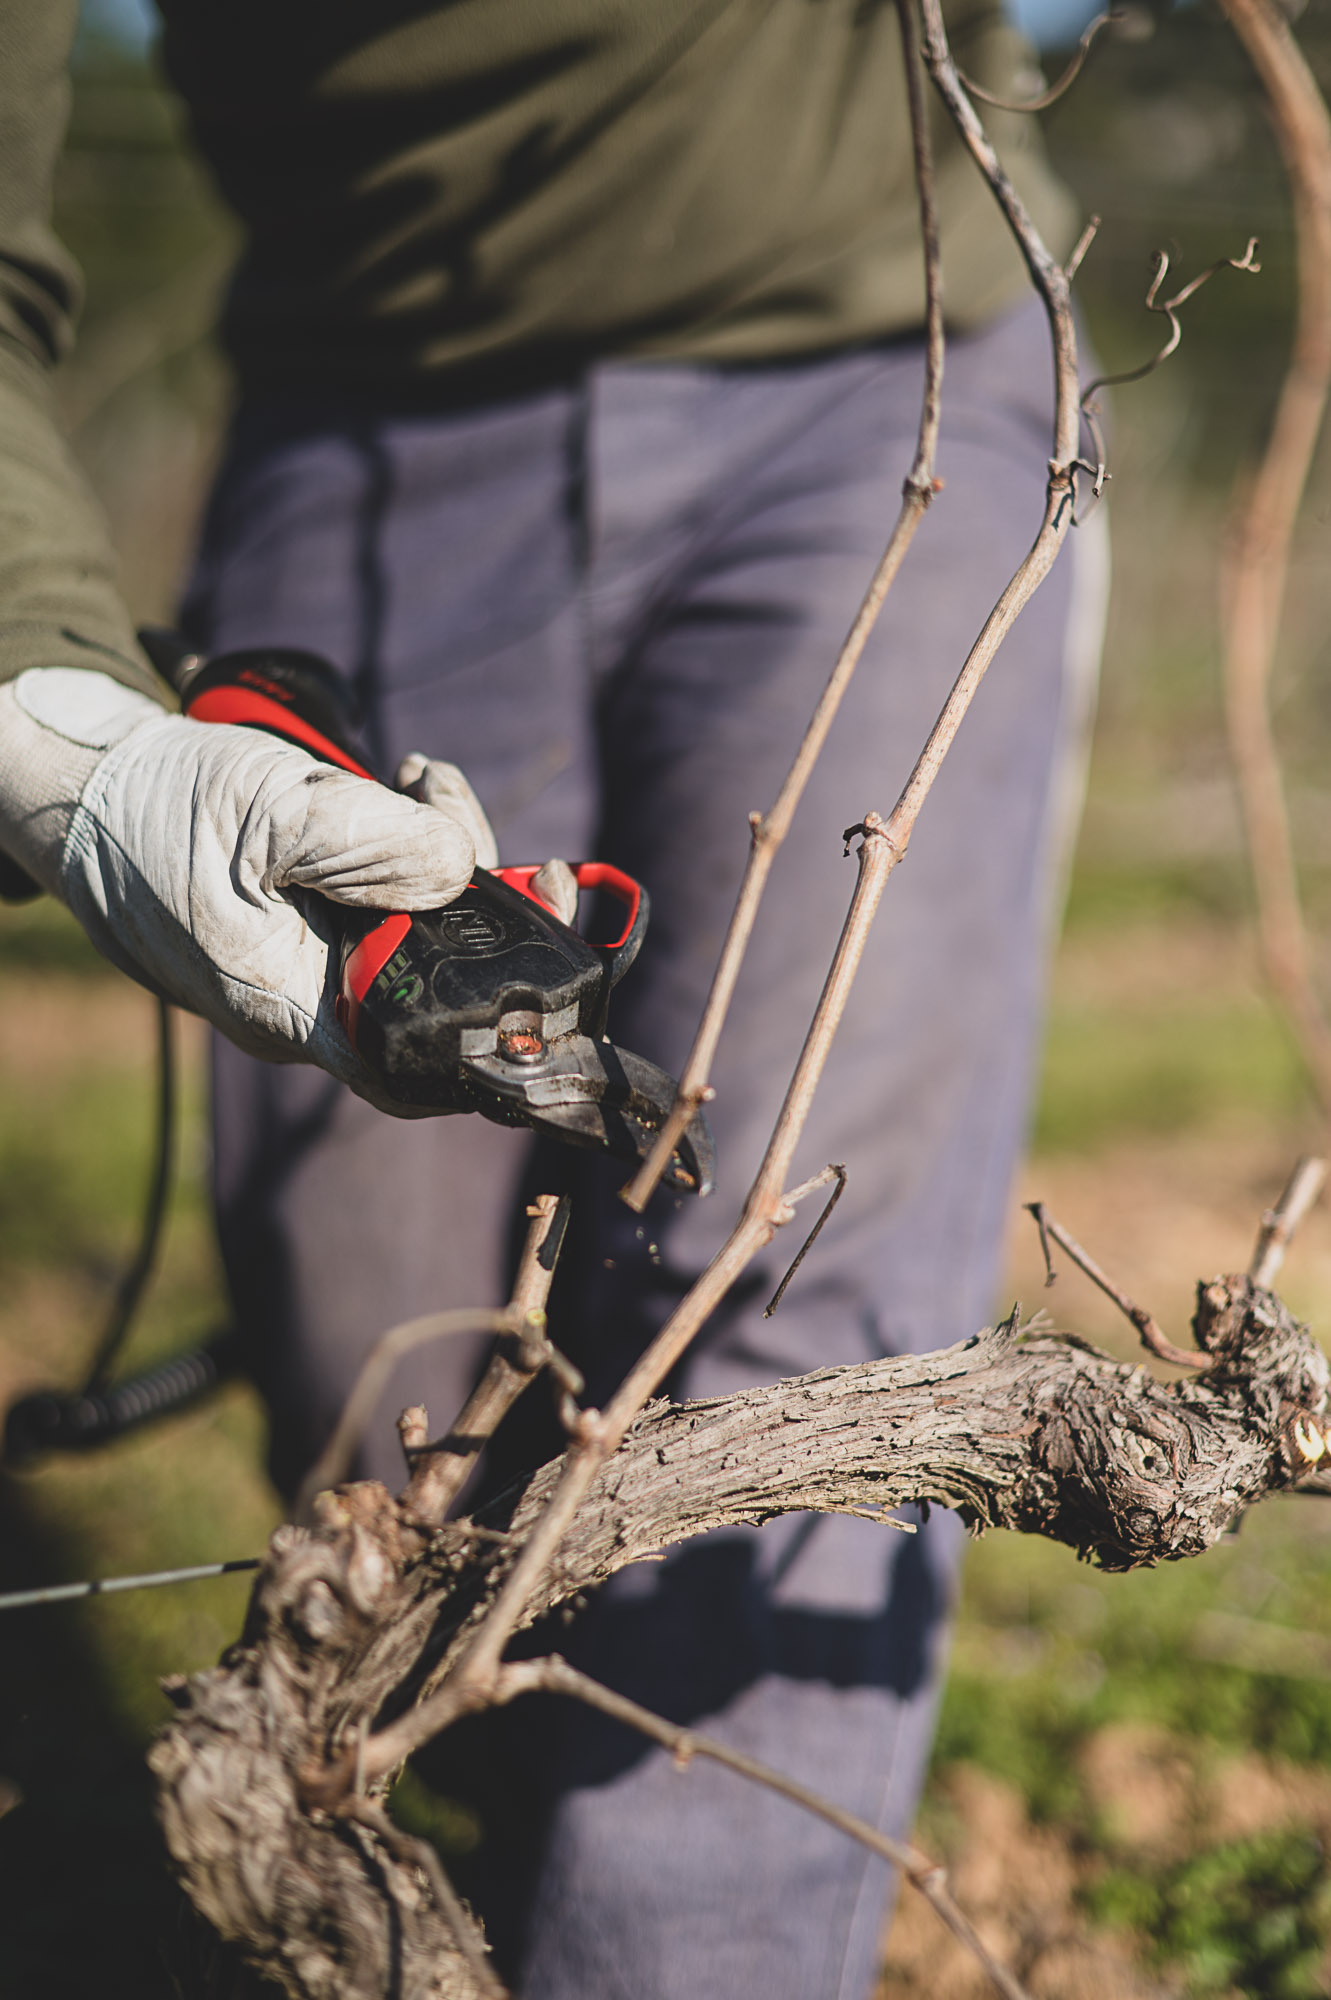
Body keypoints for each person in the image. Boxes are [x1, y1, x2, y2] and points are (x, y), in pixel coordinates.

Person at [0, 5, 1107, 1995]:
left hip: (877, 358)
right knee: (375, 1372)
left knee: (780, 1305)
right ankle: (507, 1854)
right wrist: (52, 721)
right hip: (364, 397)